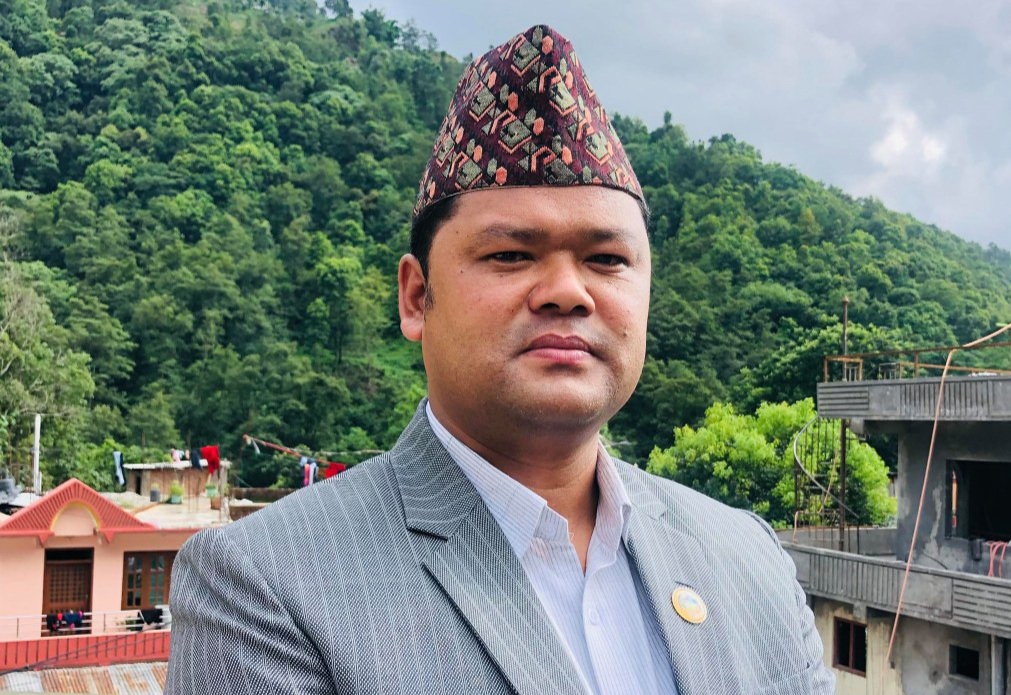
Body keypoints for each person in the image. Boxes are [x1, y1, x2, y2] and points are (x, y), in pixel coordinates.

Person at [165, 24, 835, 695]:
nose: (568, 291)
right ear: (417, 297)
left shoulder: (746, 557)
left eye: (607, 259)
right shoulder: (264, 584)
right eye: (511, 254)